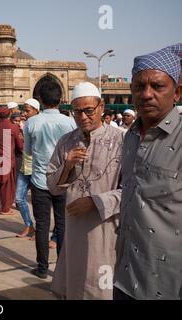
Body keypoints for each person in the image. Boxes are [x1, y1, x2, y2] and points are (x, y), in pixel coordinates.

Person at [114, 46, 182, 300]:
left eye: (157, 86)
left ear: (176, 92)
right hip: (126, 275)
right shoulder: (131, 137)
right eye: (139, 86)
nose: (147, 94)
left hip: (168, 285)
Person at [47, 82, 123, 299]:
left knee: (100, 288)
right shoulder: (66, 142)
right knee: (75, 285)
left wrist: (95, 202)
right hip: (74, 232)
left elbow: (132, 190)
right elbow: (52, 187)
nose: (83, 117)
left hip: (105, 230)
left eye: (88, 110)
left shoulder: (121, 141)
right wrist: (67, 165)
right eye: (77, 111)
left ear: (101, 107)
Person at [24, 81, 77, 280]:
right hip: (63, 180)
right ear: (60, 99)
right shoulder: (69, 122)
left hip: (40, 180)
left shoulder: (32, 122)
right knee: (62, 224)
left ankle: (42, 268)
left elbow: (29, 151)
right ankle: (62, 268)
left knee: (42, 225)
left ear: (41, 100)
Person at [15, 98, 39, 238]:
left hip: (37, 168)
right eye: (24, 110)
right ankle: (29, 225)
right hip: (25, 167)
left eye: (28, 110)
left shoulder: (40, 124)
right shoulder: (25, 124)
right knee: (19, 198)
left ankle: (40, 228)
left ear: (36, 110)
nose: (25, 113)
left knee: (37, 202)